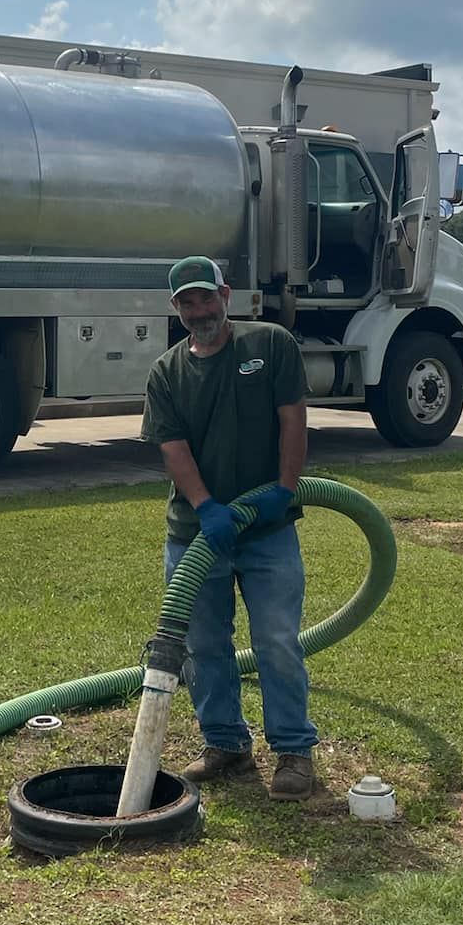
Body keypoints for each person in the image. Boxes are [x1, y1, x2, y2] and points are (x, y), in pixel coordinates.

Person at [140, 254, 319, 799]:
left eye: (206, 297)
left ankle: (292, 751)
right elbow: (173, 447)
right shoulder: (167, 372)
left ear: (226, 295)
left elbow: (293, 418)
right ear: (176, 308)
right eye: (187, 302)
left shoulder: (269, 345)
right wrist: (206, 507)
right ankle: (225, 744)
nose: (199, 310)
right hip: (197, 533)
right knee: (204, 646)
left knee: (277, 640)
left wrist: (285, 489)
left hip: (267, 531)